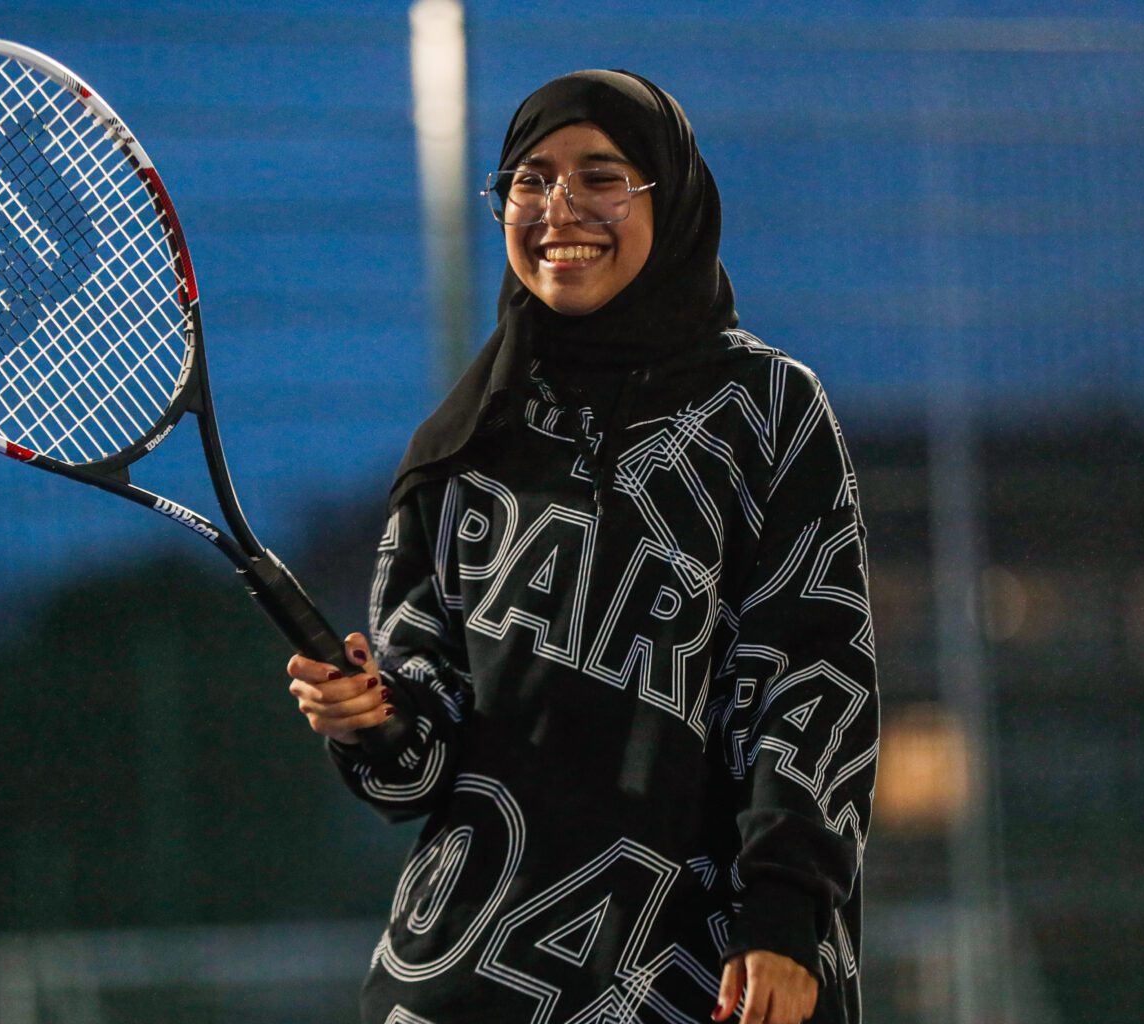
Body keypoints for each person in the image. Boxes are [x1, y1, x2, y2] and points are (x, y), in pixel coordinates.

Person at [286, 69, 878, 1024]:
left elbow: (814, 684)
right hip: (469, 976)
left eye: (602, 176)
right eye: (530, 178)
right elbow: (421, 760)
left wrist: (785, 911)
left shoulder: (769, 411)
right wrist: (374, 720)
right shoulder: (461, 442)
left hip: (705, 974)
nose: (560, 206)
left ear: (671, 195)